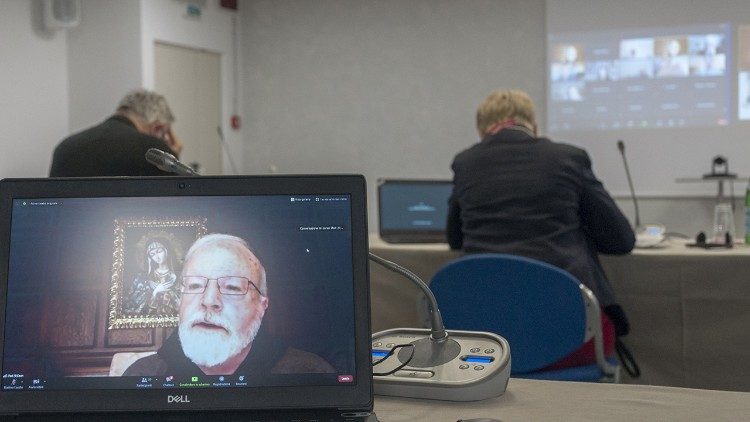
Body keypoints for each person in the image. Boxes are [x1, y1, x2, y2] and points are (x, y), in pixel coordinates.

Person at [447, 89, 635, 368]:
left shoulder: (465, 163)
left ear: (482, 131)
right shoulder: (569, 158)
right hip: (570, 333)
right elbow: (621, 240)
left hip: (485, 339)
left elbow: (454, 239)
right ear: (533, 126)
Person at [123, 233, 335, 376]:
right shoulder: (142, 374)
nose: (209, 301)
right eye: (195, 285)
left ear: (262, 306)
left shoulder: (309, 373)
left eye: (232, 287)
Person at [49, 89, 183, 177]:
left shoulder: (66, 146)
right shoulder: (152, 151)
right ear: (157, 128)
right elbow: (177, 200)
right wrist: (173, 159)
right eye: (165, 133)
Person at [124, 238, 180, 316]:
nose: (156, 256)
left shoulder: (180, 276)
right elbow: (134, 306)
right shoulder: (143, 279)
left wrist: (170, 293)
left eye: (159, 251)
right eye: (152, 254)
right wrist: (155, 292)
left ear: (167, 250)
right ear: (149, 258)